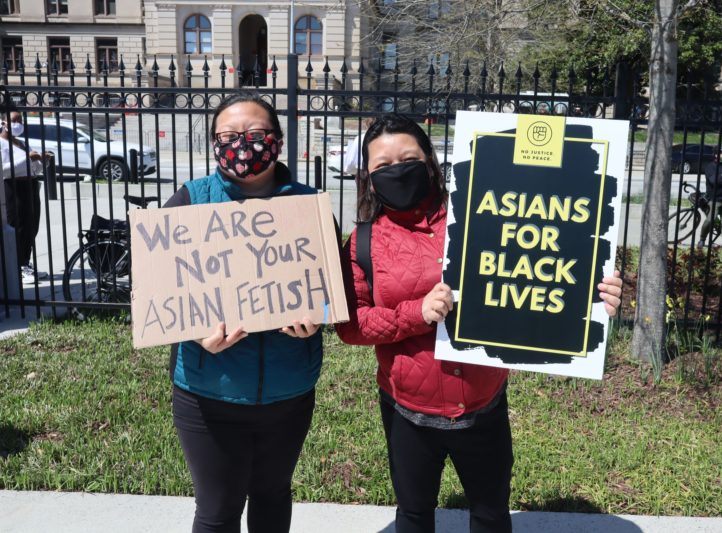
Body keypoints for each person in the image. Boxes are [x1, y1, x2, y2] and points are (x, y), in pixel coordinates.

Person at [335, 114, 623, 533]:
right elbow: (351, 325)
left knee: (490, 514)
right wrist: (416, 313)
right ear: (368, 176)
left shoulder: (482, 212)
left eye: (408, 158)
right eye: (382, 166)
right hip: (407, 410)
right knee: (414, 514)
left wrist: (595, 292)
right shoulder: (363, 242)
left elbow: (546, 257)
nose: (396, 170)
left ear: (430, 160)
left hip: (482, 403)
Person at [161, 92, 324, 533]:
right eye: (229, 136)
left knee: (273, 497)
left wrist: (317, 315)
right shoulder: (190, 200)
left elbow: (332, 288)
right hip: (207, 392)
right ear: (214, 143)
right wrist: (194, 331)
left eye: (255, 134)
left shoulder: (310, 206)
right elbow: (153, 286)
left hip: (289, 392)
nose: (243, 144)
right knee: (217, 512)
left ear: (277, 140)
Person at [0, 110, 49, 283]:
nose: (19, 123)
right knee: (18, 225)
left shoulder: (21, 143)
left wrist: (41, 160)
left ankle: (25, 263)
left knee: (31, 226)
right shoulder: (2, 143)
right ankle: (17, 266)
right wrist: (28, 158)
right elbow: (4, 169)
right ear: (4, 122)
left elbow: (34, 168)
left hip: (30, 185)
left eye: (20, 119)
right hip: (13, 187)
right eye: (14, 120)